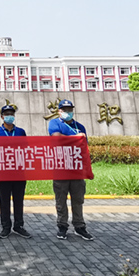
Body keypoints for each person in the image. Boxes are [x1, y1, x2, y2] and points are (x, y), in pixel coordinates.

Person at [48, 99, 94, 241]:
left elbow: (84, 147)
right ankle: (62, 226)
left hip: (76, 168)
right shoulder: (55, 123)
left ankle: (79, 226)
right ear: (59, 111)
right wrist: (75, 138)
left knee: (78, 199)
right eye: (64, 110)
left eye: (70, 110)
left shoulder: (79, 126)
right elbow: (56, 138)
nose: (67, 112)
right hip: (61, 167)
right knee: (61, 200)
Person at [0, 105, 31, 239]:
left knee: (19, 200)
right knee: (4, 201)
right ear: (2, 117)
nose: (10, 116)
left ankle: (19, 226)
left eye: (12, 114)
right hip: (3, 172)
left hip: (19, 172)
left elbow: (26, 150)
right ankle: (6, 227)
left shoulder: (20, 132)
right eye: (7, 114)